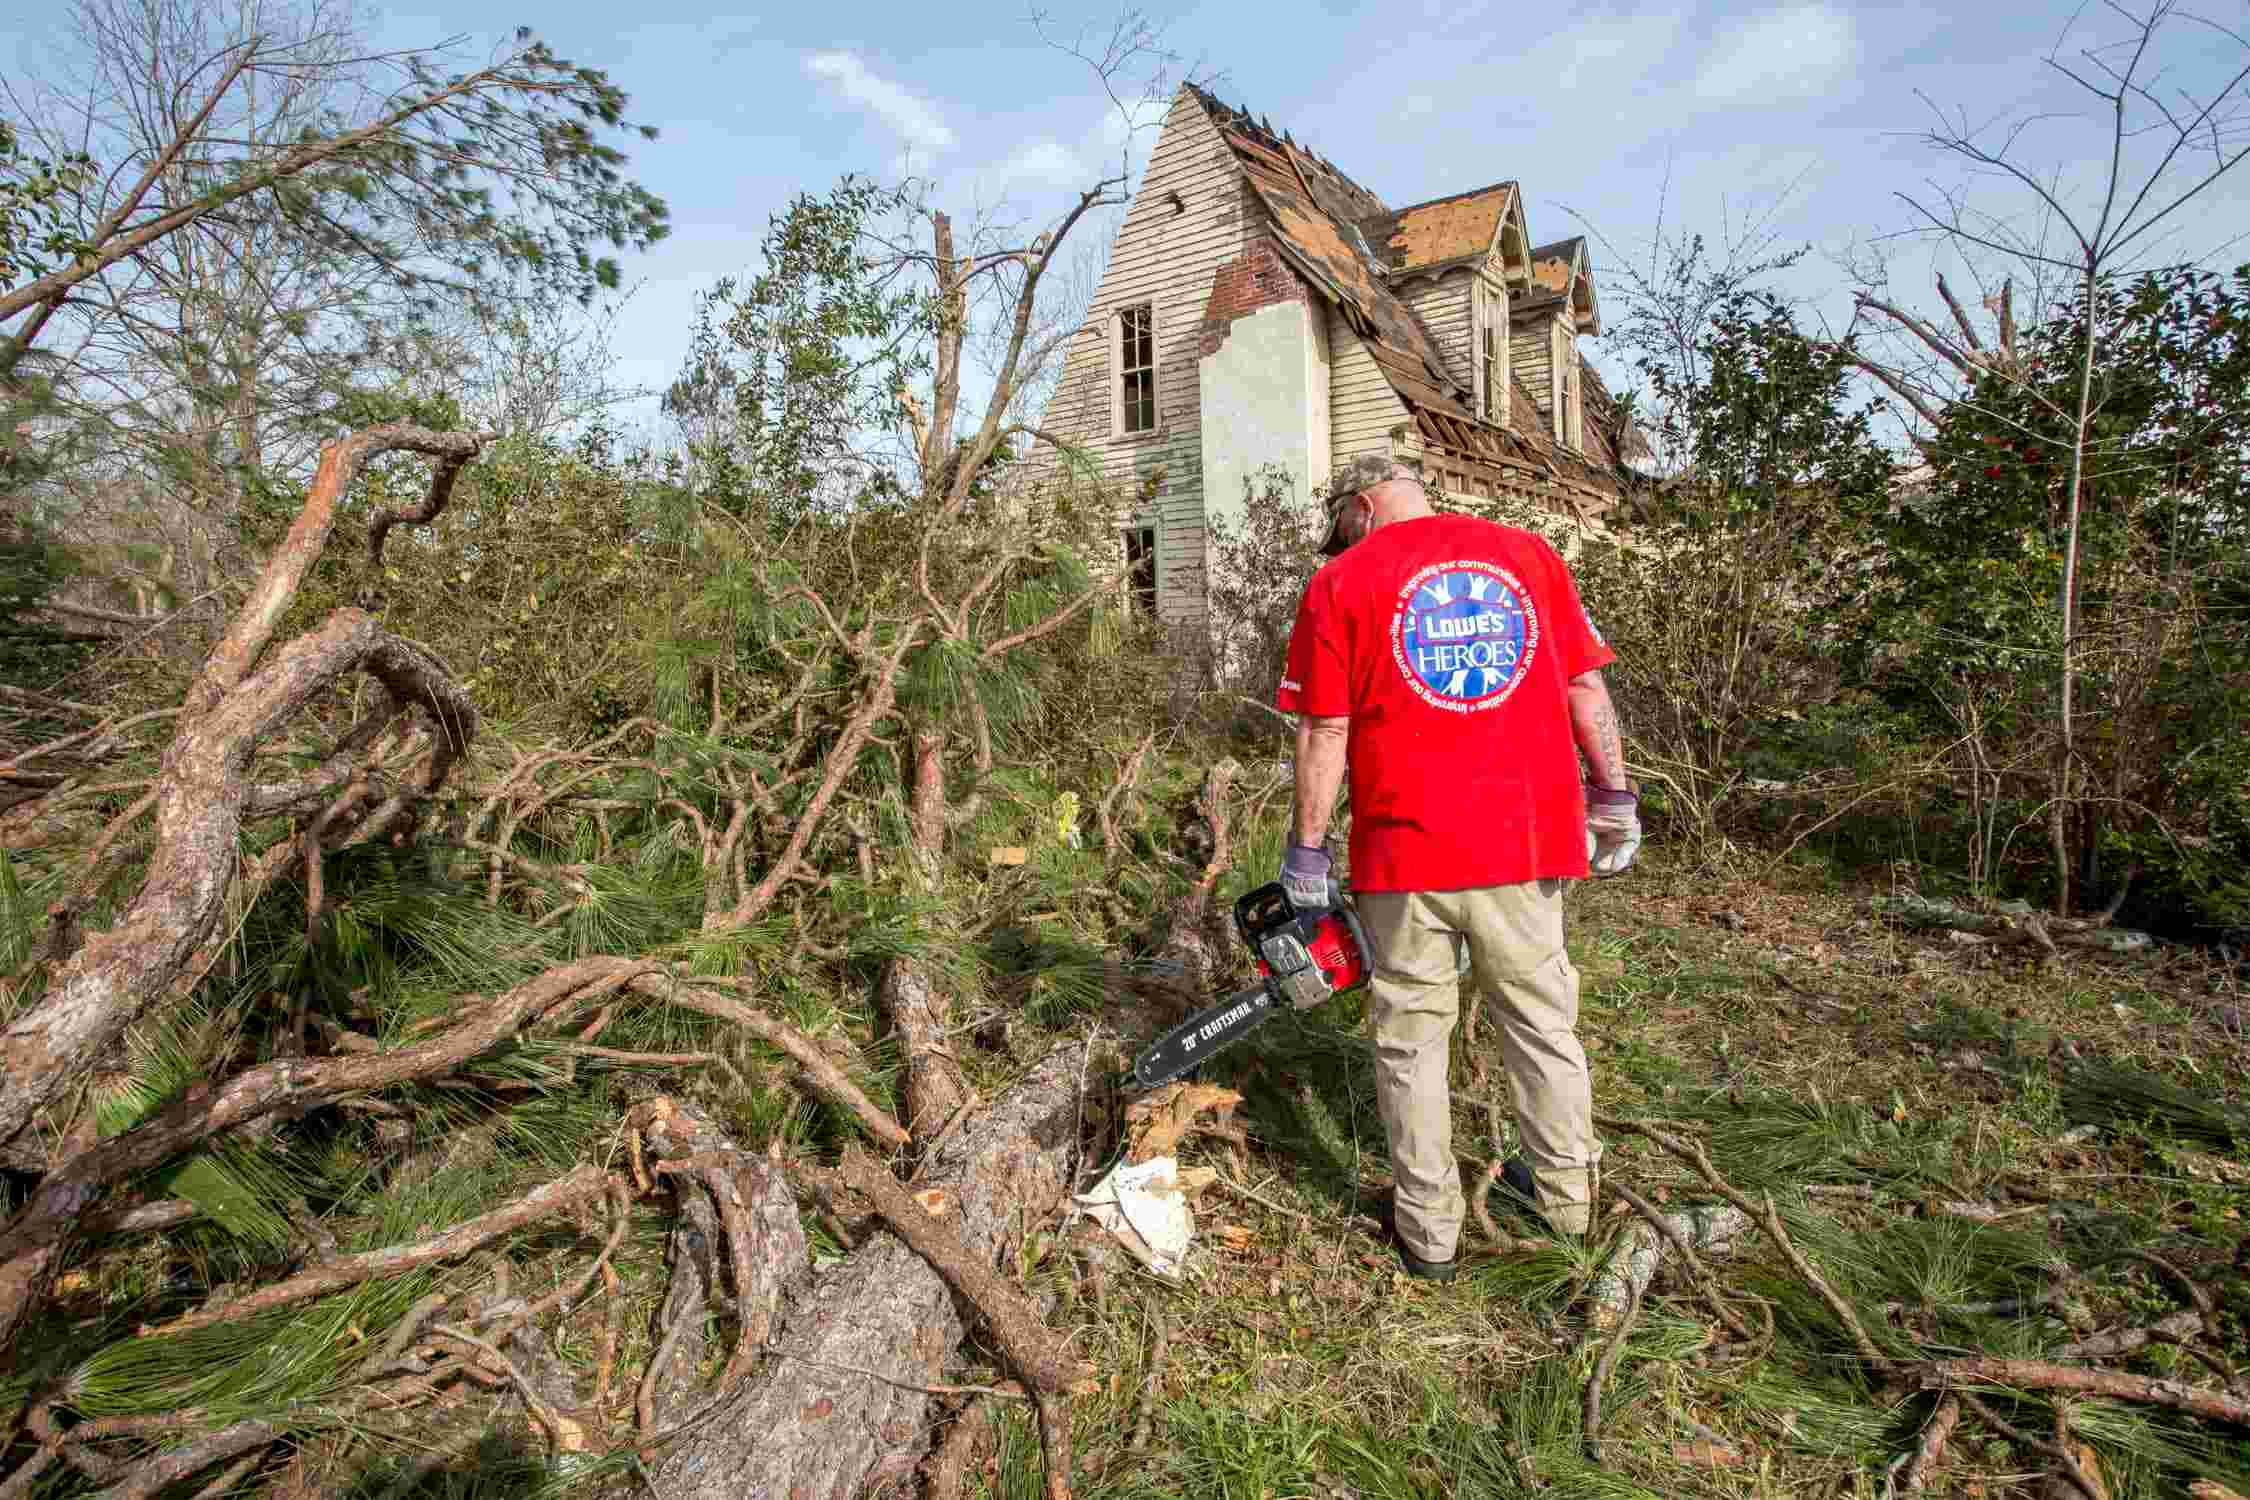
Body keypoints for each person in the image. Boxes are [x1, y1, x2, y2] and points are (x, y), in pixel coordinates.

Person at [1275, 453, 1639, 1282]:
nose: (1337, 547)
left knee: (1410, 1040)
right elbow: (1585, 688)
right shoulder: (1529, 556)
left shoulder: (1340, 585)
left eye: (1340, 531)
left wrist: (1305, 852)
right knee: (1543, 1026)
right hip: (1526, 844)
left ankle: (1428, 1233)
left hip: (1405, 855)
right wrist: (1613, 794)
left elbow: (1324, 732)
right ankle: (1568, 1206)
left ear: (1361, 508)